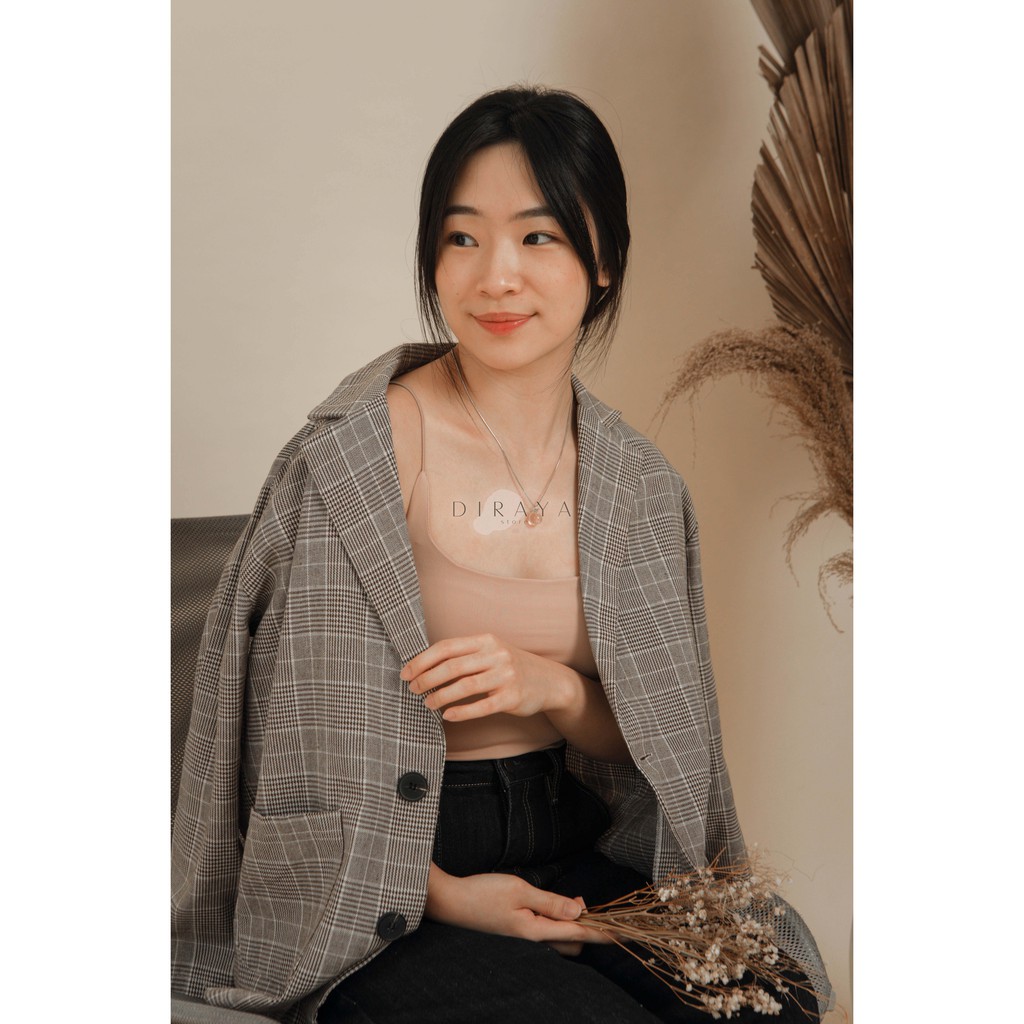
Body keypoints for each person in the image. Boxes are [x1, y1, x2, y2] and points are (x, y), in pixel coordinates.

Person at [171, 86, 831, 1024]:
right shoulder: (353, 459)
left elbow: (655, 739)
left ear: (603, 260)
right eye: (462, 237)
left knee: (779, 1002)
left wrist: (551, 688)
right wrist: (443, 894)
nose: (496, 277)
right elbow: (293, 745)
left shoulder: (640, 488)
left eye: (537, 236)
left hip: (571, 842)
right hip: (384, 878)